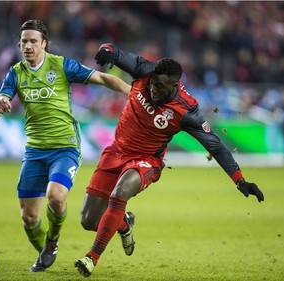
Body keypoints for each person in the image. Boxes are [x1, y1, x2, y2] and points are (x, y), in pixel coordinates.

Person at [74, 43, 265, 277]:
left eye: (161, 87)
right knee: (88, 220)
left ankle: (91, 258)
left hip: (146, 161)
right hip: (115, 152)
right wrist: (108, 49)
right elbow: (120, 55)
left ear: (174, 86)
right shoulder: (145, 71)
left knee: (120, 192)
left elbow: (214, 145)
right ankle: (124, 223)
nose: (153, 90)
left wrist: (239, 179)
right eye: (153, 84)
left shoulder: (186, 111)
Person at [0, 20, 130, 272]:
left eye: (33, 41)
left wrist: (133, 93)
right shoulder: (16, 73)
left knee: (56, 196)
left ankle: (52, 242)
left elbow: (102, 78)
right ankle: (44, 252)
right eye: (23, 42)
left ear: (44, 44)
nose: (27, 46)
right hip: (34, 151)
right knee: (29, 218)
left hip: (65, 147)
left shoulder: (62, 65)